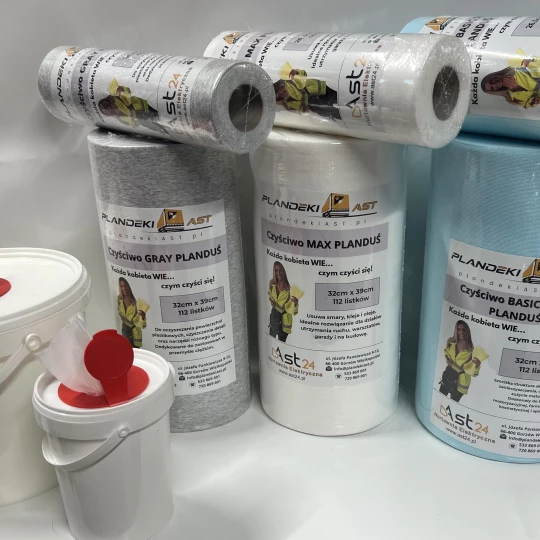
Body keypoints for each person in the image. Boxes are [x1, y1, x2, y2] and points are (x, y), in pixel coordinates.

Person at [273, 67, 340, 121]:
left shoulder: (288, 81)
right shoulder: (289, 104)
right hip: (318, 104)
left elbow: (303, 74)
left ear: (280, 88)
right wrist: (303, 110)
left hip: (320, 90)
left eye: (280, 92)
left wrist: (296, 73)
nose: (282, 94)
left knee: (340, 98)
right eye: (279, 97)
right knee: (336, 113)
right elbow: (302, 110)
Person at [439, 320, 481, 402]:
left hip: (461, 383)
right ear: (456, 330)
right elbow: (446, 352)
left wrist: (477, 366)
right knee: (440, 399)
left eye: (464, 330)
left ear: (467, 331)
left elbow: (475, 374)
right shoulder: (451, 342)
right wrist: (447, 358)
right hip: (448, 376)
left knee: (452, 404)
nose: (461, 332)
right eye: (459, 329)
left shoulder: (471, 350)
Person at [98, 84, 167, 133]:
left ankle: (166, 125)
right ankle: (166, 129)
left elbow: (125, 90)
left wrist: (121, 92)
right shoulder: (120, 118)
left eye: (105, 105)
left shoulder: (115, 97)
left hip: (143, 106)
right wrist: (134, 122)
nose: (107, 108)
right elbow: (132, 124)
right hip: (142, 117)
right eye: (106, 111)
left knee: (160, 116)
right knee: (157, 126)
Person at [268, 262, 299, 342]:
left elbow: (294, 312)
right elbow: (270, 294)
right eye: (276, 270)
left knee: (281, 345)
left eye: (280, 270)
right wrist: (271, 301)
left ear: (284, 272)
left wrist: (295, 303)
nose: (278, 273)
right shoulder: (272, 284)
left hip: (284, 322)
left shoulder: (289, 289)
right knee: (271, 342)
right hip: (274, 318)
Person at [118, 277, 146, 348]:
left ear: (129, 286)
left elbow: (143, 325)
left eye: (125, 286)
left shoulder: (136, 303)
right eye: (121, 286)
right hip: (125, 333)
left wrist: (143, 316)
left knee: (136, 353)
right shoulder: (119, 300)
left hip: (135, 335)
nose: (124, 289)